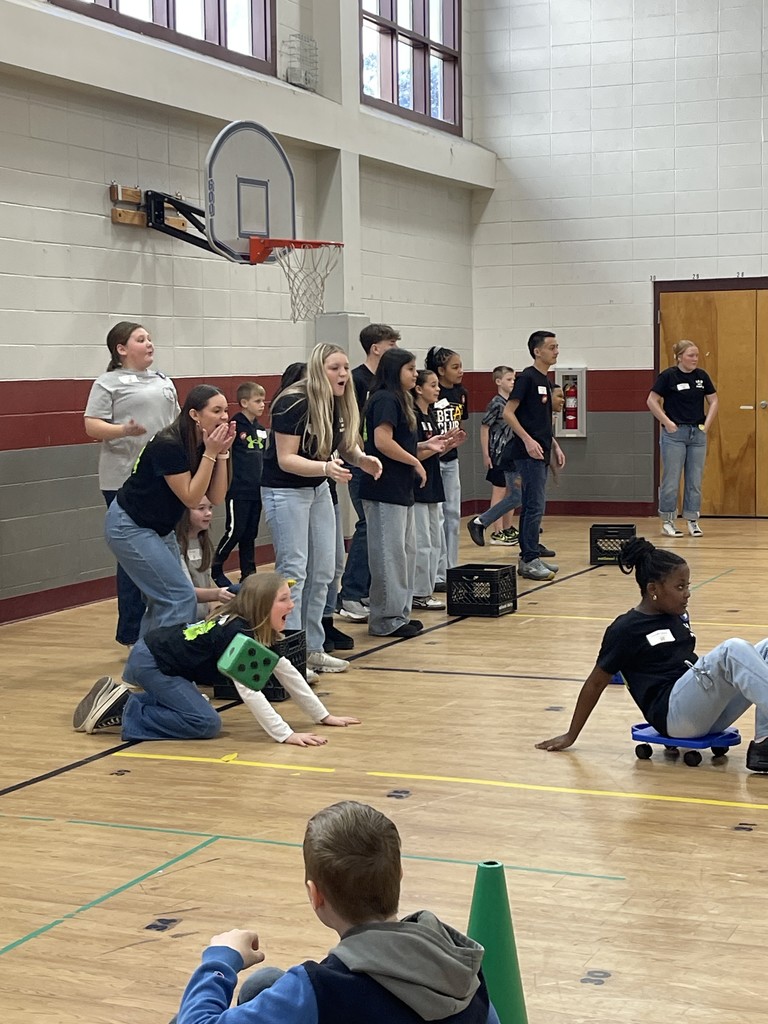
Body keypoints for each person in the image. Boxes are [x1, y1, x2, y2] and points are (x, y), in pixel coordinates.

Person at [172, 800, 501, 1024]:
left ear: (315, 895)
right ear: (399, 874)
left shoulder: (316, 990)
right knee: (265, 984)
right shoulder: (457, 955)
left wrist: (220, 960)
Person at [536, 538, 768, 773]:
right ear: (653, 589)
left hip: (704, 712)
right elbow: (596, 683)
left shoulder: (676, 614)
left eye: (687, 586)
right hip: (673, 717)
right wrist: (571, 735)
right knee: (733, 649)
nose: (687, 594)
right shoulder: (626, 629)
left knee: (766, 647)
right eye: (680, 587)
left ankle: (764, 744)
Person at [72, 574, 361, 745]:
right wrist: (285, 735)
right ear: (262, 605)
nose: (292, 605)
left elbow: (286, 670)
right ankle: (126, 709)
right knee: (204, 722)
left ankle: (117, 698)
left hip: (160, 657)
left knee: (198, 710)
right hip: (153, 662)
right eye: (284, 599)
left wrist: (323, 716)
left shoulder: (250, 626)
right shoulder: (239, 637)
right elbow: (250, 692)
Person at [261, 344, 382, 673]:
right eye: (335, 368)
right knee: (294, 571)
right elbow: (286, 459)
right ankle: (290, 653)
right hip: (285, 491)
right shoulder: (293, 402)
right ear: (318, 370)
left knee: (326, 570)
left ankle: (313, 647)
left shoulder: (339, 402)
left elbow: (346, 445)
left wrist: (362, 459)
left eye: (345, 367)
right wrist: (326, 469)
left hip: (315, 489)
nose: (343, 374)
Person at [104, 384, 235, 636]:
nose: (224, 417)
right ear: (195, 415)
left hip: (159, 528)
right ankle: (162, 661)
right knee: (179, 597)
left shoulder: (204, 443)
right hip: (129, 526)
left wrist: (222, 453)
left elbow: (215, 497)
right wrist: (211, 452)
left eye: (226, 411)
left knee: (166, 598)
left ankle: (146, 664)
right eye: (216, 410)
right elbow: (190, 497)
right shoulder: (170, 444)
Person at [84, 321, 179, 648]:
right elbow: (92, 426)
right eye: (141, 339)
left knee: (163, 552)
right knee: (134, 555)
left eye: (150, 338)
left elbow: (176, 424)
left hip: (163, 477)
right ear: (121, 349)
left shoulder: (164, 380)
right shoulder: (108, 383)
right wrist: (123, 430)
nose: (149, 343)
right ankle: (131, 631)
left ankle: (163, 625)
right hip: (123, 478)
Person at [361, 350, 446, 637]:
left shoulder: (403, 400)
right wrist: (415, 462)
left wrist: (427, 447)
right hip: (383, 489)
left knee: (405, 554)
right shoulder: (385, 398)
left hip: (400, 489)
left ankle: (398, 613)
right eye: (410, 369)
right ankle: (385, 620)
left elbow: (404, 447)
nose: (414, 373)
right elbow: (381, 442)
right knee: (389, 556)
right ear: (395, 370)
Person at [339, 323, 401, 623]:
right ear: (376, 347)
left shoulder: (388, 383)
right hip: (360, 461)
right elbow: (352, 425)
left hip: (381, 464)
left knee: (377, 528)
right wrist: (361, 456)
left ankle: (365, 589)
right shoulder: (356, 381)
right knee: (366, 524)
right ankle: (349, 593)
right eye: (391, 344)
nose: (396, 349)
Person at [494, 331, 564, 582]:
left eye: (557, 347)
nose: (556, 351)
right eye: (552, 347)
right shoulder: (527, 379)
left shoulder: (546, 380)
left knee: (536, 505)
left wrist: (553, 446)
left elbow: (540, 421)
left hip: (542, 450)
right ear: (538, 351)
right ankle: (528, 559)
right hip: (527, 453)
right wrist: (527, 439)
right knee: (533, 505)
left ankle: (532, 554)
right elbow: (508, 413)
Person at [647, 339, 718, 538]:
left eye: (696, 355)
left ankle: (692, 519)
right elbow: (652, 400)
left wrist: (707, 425)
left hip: (697, 433)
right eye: (691, 355)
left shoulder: (701, 376)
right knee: (671, 479)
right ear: (679, 357)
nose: (695, 359)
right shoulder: (669, 376)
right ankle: (668, 520)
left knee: (694, 480)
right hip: (675, 435)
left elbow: (713, 400)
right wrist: (667, 422)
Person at [212, 382, 268, 587]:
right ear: (244, 403)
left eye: (263, 400)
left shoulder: (261, 430)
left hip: (256, 489)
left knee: (250, 532)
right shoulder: (234, 427)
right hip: (238, 489)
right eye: (258, 401)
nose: (262, 405)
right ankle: (216, 566)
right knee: (235, 530)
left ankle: (248, 572)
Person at [467, 367, 523, 550]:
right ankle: (497, 530)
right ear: (498, 381)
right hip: (498, 453)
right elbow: (485, 427)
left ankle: (507, 528)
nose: (512, 382)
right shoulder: (496, 404)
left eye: (514, 379)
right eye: (509, 379)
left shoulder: (512, 403)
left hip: (512, 455)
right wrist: (486, 453)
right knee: (499, 492)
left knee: (512, 492)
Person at [427, 347, 468, 592]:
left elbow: (459, 422)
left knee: (453, 515)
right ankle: (438, 571)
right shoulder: (431, 393)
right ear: (440, 371)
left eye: (461, 366)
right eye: (455, 367)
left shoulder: (461, 393)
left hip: (451, 460)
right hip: (433, 459)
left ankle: (451, 567)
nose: (461, 371)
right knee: (437, 516)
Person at [412, 369, 447, 611]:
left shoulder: (430, 414)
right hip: (417, 485)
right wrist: (435, 447)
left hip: (434, 482)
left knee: (436, 540)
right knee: (422, 541)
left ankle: (429, 588)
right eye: (432, 385)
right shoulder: (412, 415)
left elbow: (433, 449)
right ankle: (418, 592)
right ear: (418, 388)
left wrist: (447, 444)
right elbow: (414, 452)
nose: (437, 389)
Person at [176, 498, 235, 620]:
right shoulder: (175, 546)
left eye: (210, 508)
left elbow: (206, 583)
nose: (208, 513)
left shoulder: (203, 543)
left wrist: (214, 608)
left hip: (202, 619)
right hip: (183, 620)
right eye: (201, 508)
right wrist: (217, 594)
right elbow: (184, 592)